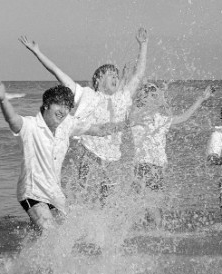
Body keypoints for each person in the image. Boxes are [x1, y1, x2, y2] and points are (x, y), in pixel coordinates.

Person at [18, 28, 148, 204]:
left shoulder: (123, 98)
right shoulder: (86, 95)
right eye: (111, 75)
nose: (116, 78)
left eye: (117, 76)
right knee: (81, 193)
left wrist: (144, 45)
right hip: (89, 153)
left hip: (113, 158)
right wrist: (37, 52)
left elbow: (139, 75)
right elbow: (58, 73)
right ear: (99, 78)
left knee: (107, 201)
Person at [0, 78, 130, 231]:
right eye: (59, 104)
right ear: (47, 105)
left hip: (55, 194)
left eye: (67, 106)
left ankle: (22, 246)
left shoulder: (67, 125)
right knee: (49, 231)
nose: (63, 110)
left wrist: (126, 125)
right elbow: (13, 120)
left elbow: (99, 130)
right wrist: (3, 99)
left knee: (66, 233)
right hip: (33, 192)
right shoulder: (31, 126)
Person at [129, 83, 215, 227]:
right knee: (148, 204)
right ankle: (155, 231)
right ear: (143, 98)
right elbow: (128, 107)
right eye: (152, 96)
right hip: (144, 166)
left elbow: (183, 117)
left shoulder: (160, 119)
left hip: (156, 169)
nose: (157, 99)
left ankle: (151, 232)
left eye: (157, 96)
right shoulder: (137, 116)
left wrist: (201, 99)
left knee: (150, 204)